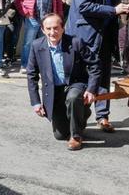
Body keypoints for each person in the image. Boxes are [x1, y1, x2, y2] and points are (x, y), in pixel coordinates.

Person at [66, 0, 129, 133]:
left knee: (104, 74)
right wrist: (114, 10)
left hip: (106, 33)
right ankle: (79, 119)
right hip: (86, 33)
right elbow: (84, 6)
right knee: (85, 76)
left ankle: (102, 116)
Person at [26, 13, 99, 151]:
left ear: (62, 28)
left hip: (75, 84)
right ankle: (80, 115)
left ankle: (76, 137)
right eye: (48, 29)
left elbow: (95, 65)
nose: (52, 32)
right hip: (54, 91)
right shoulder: (36, 46)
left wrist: (91, 89)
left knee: (72, 98)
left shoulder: (76, 42)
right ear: (42, 30)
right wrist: (36, 102)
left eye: (56, 28)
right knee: (60, 135)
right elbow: (31, 75)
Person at [15, 0, 63, 72]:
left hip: (48, 19)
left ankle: (43, 65)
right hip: (32, 17)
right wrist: (25, 12)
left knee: (45, 43)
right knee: (28, 42)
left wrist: (59, 16)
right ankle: (25, 65)